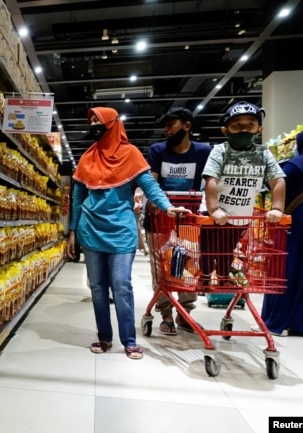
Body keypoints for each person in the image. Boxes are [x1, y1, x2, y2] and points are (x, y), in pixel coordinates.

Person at [67, 106, 189, 360]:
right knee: (98, 288)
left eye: (97, 122)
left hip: (121, 230)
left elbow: (149, 185)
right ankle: (104, 337)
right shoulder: (88, 157)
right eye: (90, 122)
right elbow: (77, 198)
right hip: (90, 229)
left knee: (121, 284)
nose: (93, 126)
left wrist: (167, 207)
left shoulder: (131, 154)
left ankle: (129, 340)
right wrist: (72, 232)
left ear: (112, 124)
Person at [200, 101, 285, 289]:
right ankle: (204, 279)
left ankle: (223, 278)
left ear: (259, 128)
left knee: (227, 250)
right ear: (226, 130)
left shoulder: (263, 154)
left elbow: (277, 180)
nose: (243, 130)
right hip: (213, 214)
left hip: (241, 215)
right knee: (208, 248)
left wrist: (278, 208)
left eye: (250, 125)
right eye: (237, 125)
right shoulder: (220, 151)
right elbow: (211, 180)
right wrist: (214, 209)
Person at [145, 107, 211, 335]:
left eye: (170, 124)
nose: (166, 130)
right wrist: (155, 202)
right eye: (164, 125)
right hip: (159, 220)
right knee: (161, 270)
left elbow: (211, 183)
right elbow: (152, 183)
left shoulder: (203, 152)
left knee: (188, 269)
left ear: (187, 126)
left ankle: (185, 315)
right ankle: (165, 315)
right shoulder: (157, 151)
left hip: (190, 221)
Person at [260, 127, 303, 336]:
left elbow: (276, 181)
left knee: (286, 270)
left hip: (298, 223)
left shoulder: (299, 164)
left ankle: (278, 318)